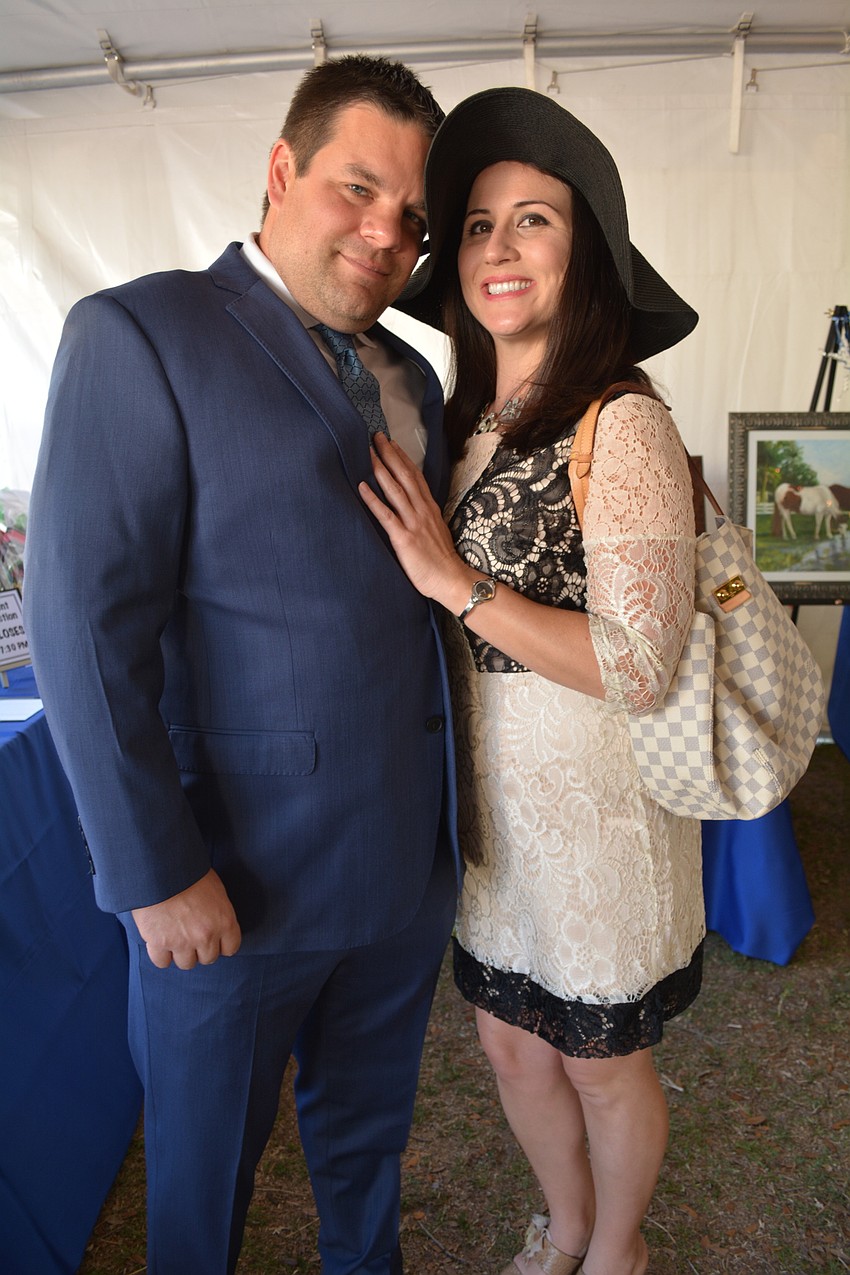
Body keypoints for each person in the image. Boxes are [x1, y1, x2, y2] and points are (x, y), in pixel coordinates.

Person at [23, 55, 461, 1275]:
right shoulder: (139, 332)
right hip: (226, 885)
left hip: (400, 874)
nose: (387, 232)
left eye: (412, 215)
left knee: (367, 1150)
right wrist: (156, 874)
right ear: (282, 170)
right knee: (206, 1177)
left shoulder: (412, 375)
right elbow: (79, 621)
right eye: (358, 189)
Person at [360, 87, 704, 1275]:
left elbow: (639, 661)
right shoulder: (460, 423)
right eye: (476, 225)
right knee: (510, 1046)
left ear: (587, 257)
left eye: (534, 221)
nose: (498, 247)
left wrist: (451, 580)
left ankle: (617, 1249)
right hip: (489, 802)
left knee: (601, 1061)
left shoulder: (622, 423)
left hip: (598, 808)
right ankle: (560, 1227)